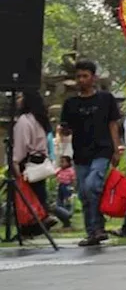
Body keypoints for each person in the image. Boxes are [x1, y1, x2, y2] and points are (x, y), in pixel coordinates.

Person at [60, 60, 124, 246]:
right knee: (84, 193)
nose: (81, 79)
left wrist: (117, 148)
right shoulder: (70, 103)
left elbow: (113, 124)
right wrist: (63, 131)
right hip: (80, 153)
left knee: (91, 186)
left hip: (102, 150)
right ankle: (94, 231)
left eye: (85, 75)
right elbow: (66, 129)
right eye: (78, 76)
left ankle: (97, 228)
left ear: (93, 77)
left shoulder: (106, 99)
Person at [13, 88, 73, 229]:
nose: (18, 100)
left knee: (26, 198)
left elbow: (21, 146)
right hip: (40, 164)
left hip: (27, 164)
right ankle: (45, 218)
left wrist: (15, 163)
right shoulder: (40, 120)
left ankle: (34, 223)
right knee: (39, 197)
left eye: (21, 97)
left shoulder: (24, 120)